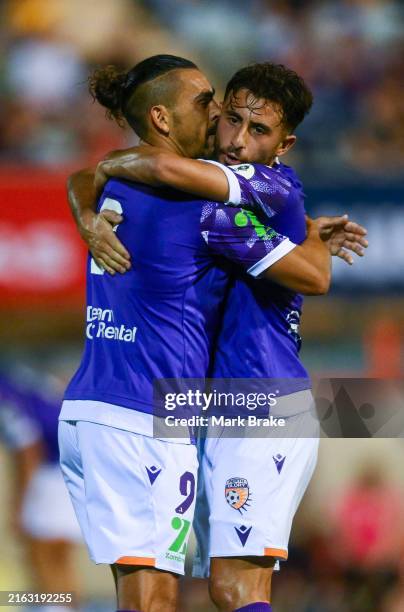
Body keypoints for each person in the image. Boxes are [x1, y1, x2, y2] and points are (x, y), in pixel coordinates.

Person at [61, 55, 366, 612]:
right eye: (221, 113)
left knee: (219, 590)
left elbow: (316, 275)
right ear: (161, 116)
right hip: (175, 413)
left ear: (284, 144)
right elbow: (159, 174)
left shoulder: (243, 189)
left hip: (252, 403)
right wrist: (309, 236)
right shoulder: (208, 209)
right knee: (192, 593)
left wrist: (97, 185)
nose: (230, 134)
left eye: (257, 129)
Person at [0, 371, 81, 612]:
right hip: (75, 472)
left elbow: (28, 451)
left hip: (51, 477)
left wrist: (18, 505)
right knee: (61, 562)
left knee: (43, 559)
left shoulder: (6, 397)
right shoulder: (23, 381)